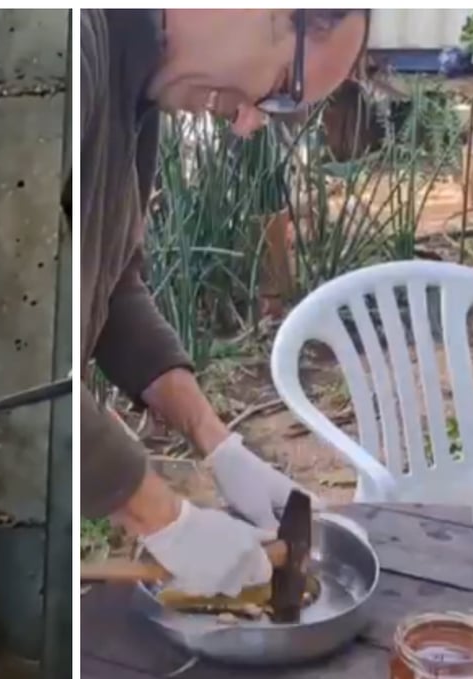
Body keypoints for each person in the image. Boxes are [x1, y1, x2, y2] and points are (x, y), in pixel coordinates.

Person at [80, 9, 370, 598]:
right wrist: (161, 517)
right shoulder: (73, 45)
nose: (245, 126)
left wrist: (218, 444)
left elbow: (110, 289)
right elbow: (14, 350)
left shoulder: (140, 87)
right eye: (283, 94)